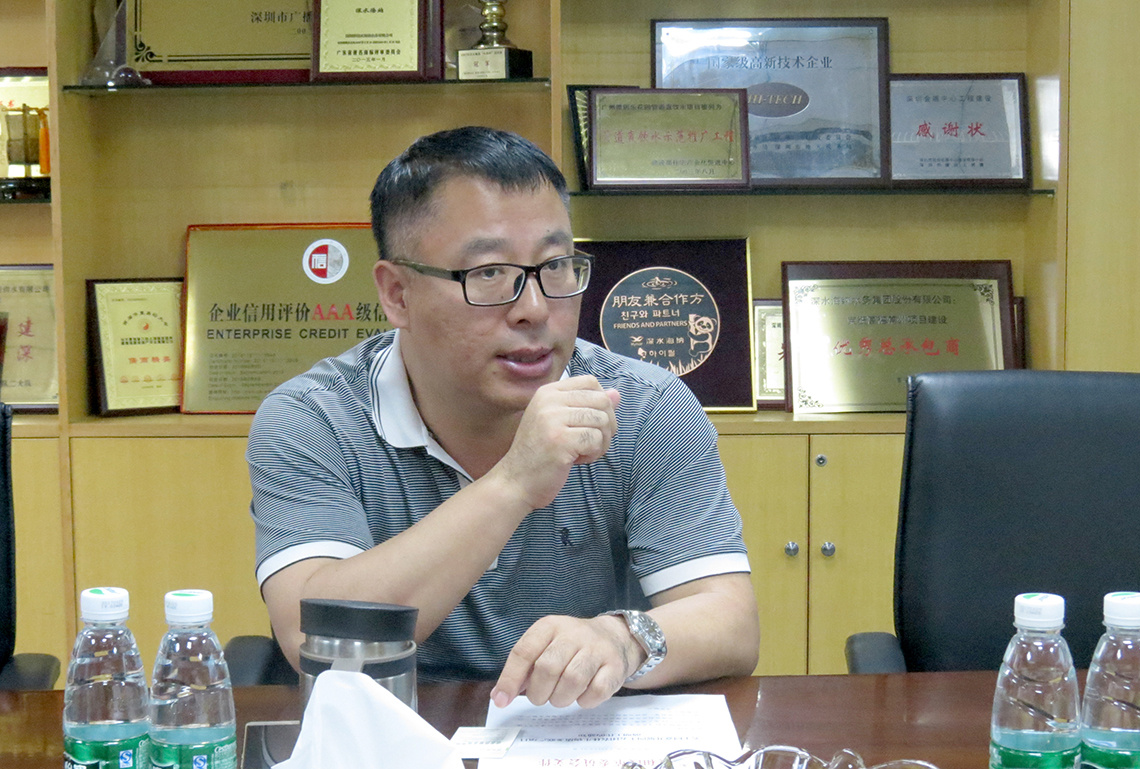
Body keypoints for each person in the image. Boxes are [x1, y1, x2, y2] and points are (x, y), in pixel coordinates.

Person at [247, 125, 759, 710]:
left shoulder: (643, 406)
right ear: (397, 294)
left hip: (574, 731)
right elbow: (316, 638)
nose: (535, 309)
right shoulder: (313, 418)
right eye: (489, 273)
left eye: (556, 266)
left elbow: (731, 623)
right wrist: (514, 483)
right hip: (393, 731)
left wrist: (622, 639)